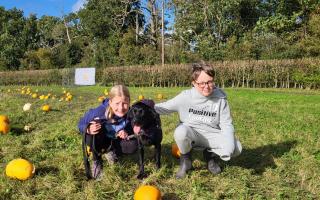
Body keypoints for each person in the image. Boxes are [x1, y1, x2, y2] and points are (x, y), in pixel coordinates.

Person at [154, 62, 242, 179]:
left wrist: (228, 146)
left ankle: (210, 156)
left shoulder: (220, 99)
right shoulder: (185, 97)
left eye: (210, 81)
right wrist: (145, 106)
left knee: (237, 148)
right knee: (180, 132)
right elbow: (164, 107)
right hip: (192, 133)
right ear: (194, 83)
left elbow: (227, 124)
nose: (207, 86)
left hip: (212, 135)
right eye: (202, 83)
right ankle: (186, 161)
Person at [78, 84, 137, 179]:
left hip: (115, 141)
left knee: (133, 144)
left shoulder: (131, 114)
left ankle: (111, 152)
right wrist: (88, 129)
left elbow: (132, 130)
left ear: (129, 102)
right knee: (90, 135)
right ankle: (97, 160)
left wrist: (126, 132)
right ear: (110, 102)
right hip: (101, 139)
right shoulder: (99, 112)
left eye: (125, 103)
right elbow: (80, 124)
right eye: (117, 103)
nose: (121, 108)